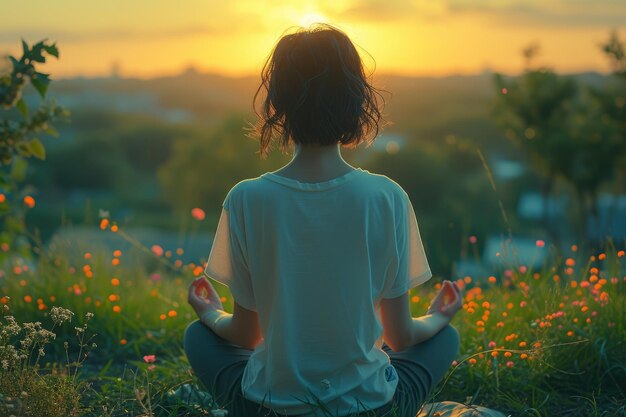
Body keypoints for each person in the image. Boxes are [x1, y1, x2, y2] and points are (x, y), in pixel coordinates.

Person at [183, 23, 463, 417]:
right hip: (370, 408)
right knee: (444, 339)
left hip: (268, 407)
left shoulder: (246, 198)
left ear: (278, 103)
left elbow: (246, 335)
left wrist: (207, 311)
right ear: (357, 101)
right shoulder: (386, 197)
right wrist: (439, 316)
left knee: (198, 336)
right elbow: (400, 337)